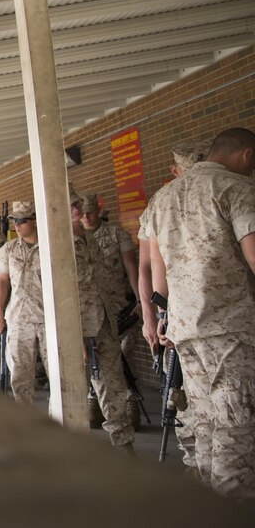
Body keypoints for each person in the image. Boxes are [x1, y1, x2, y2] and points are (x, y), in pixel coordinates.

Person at [145, 127, 255, 499]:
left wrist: (162, 317)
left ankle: (208, 503)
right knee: (236, 423)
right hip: (230, 327)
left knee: (206, 421)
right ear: (247, 154)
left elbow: (156, 273)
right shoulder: (235, 189)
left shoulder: (163, 198)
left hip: (184, 328)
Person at [137, 138, 208, 471]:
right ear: (174, 170)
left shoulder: (220, 191)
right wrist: (154, 315)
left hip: (199, 313)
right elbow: (148, 266)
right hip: (181, 315)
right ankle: (198, 467)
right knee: (182, 395)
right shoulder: (161, 203)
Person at [69, 191, 135, 451]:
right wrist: (74, 330)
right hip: (74, 327)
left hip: (105, 321)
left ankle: (124, 446)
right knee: (71, 393)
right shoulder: (54, 243)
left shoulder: (90, 240)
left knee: (114, 384)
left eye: (79, 205)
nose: (77, 209)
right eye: (72, 204)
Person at [80, 193, 142, 429]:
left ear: (99, 210)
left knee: (123, 356)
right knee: (92, 362)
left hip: (119, 308)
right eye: (83, 213)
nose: (86, 217)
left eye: (91, 212)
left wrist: (140, 300)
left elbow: (131, 268)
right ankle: (93, 404)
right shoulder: (74, 240)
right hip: (90, 311)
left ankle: (129, 403)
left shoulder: (116, 235)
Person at [0, 202, 45, 405]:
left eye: (22, 220)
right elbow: (2, 282)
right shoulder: (9, 248)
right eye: (14, 220)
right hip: (18, 318)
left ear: (34, 221)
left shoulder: (51, 244)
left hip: (48, 317)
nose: (17, 225)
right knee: (20, 375)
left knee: (60, 374)